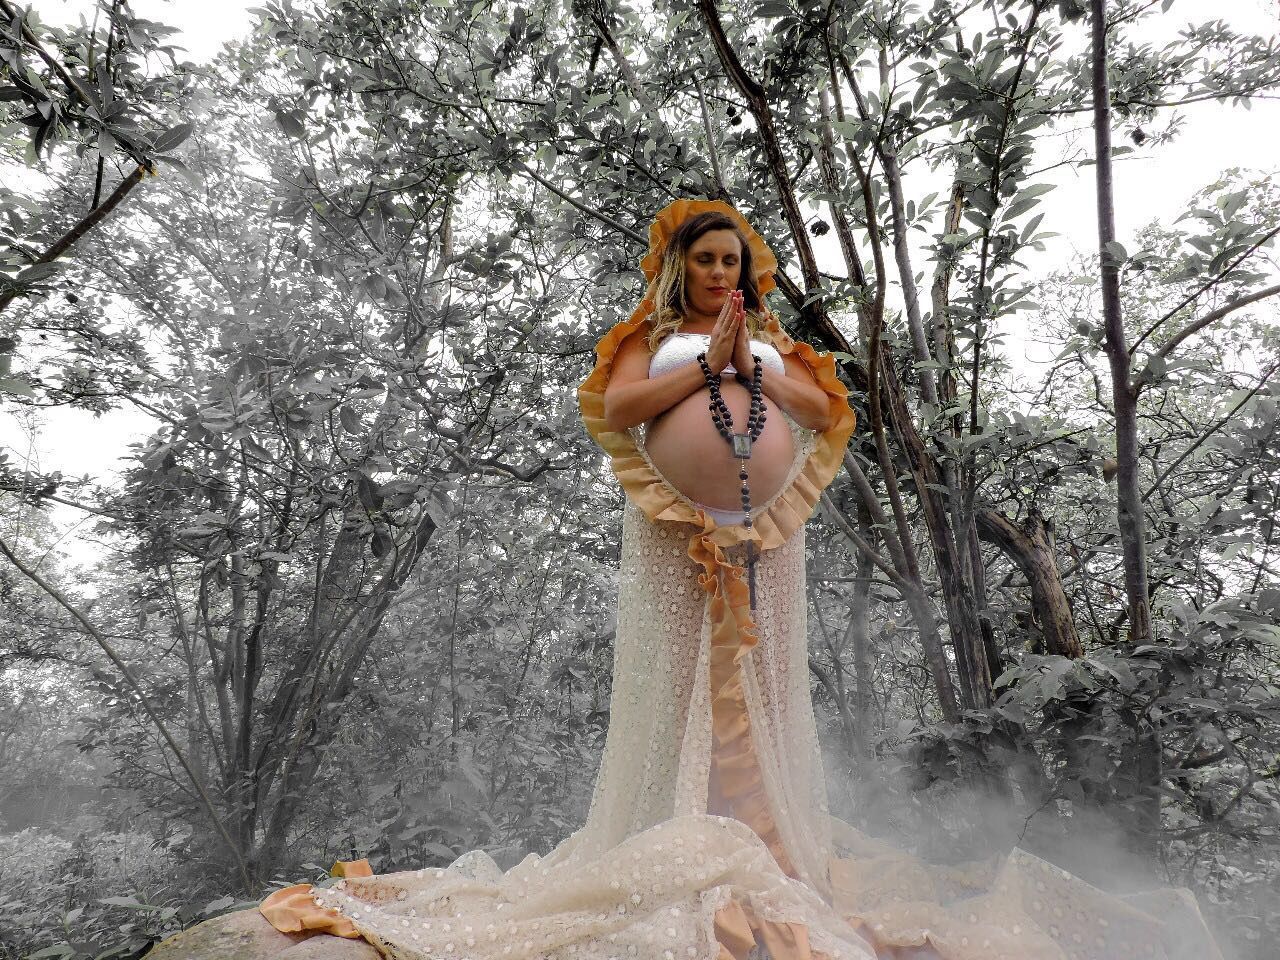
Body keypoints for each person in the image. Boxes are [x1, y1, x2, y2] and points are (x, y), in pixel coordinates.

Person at [257, 198, 1223, 960]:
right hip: (674, 535)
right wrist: (704, 368)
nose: (722, 273)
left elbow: (820, 403)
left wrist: (749, 358)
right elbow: (620, 405)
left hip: (765, 531)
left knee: (760, 680)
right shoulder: (648, 334)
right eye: (707, 261)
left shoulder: (773, 339)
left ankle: (761, 831)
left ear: (747, 270)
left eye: (734, 261)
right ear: (684, 267)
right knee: (681, 677)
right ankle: (673, 828)